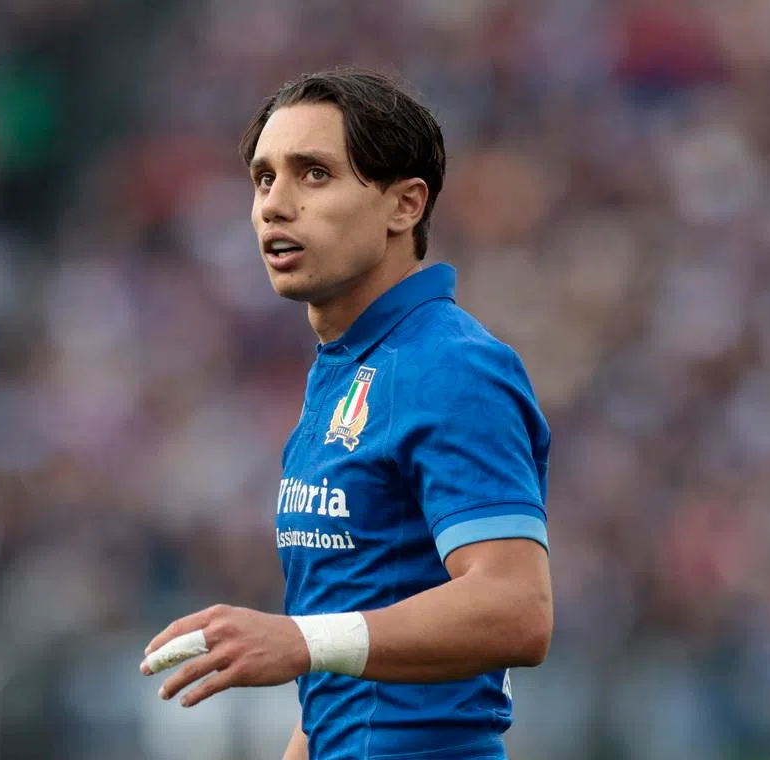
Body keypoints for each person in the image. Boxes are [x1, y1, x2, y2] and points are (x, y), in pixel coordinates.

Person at [140, 67, 553, 760]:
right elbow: (345, 679)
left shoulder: (449, 366)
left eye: (314, 174)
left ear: (405, 206)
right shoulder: (345, 371)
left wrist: (298, 641)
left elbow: (517, 609)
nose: (275, 204)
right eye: (264, 178)